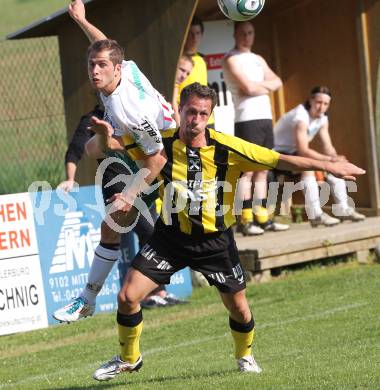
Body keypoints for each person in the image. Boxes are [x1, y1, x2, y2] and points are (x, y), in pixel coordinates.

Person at [89, 83, 365, 381]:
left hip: (215, 243)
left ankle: (245, 355)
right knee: (127, 296)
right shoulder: (159, 144)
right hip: (170, 239)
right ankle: (130, 359)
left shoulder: (228, 148)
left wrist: (329, 165)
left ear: (210, 115)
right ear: (179, 110)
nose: (195, 118)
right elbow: (113, 145)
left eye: (202, 113)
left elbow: (280, 159)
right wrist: (105, 137)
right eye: (191, 111)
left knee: (240, 311)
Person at [53, 0, 177, 322]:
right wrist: (81, 19)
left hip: (166, 155)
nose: (95, 70)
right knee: (110, 213)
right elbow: (105, 45)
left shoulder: (130, 109)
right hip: (137, 146)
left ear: (116, 69)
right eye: (92, 65)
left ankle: (94, 297)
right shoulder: (126, 68)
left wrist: (130, 194)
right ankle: (87, 299)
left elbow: (158, 160)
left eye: (101, 66)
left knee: (124, 217)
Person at [56, 105, 182, 311]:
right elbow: (80, 149)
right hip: (116, 184)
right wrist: (70, 178)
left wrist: (171, 107)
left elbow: (163, 139)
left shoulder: (134, 112)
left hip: (141, 182)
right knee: (135, 231)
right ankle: (102, 296)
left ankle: (155, 292)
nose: (96, 72)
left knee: (150, 233)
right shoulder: (93, 118)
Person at [223, 21, 288, 236]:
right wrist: (262, 87)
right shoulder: (231, 59)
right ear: (235, 34)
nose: (247, 36)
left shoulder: (258, 58)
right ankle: (246, 219)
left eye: (250, 32)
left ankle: (263, 217)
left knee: (263, 170)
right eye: (242, 33)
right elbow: (248, 87)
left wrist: (260, 88)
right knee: (248, 172)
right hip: (247, 120)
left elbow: (277, 81)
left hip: (265, 118)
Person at [273, 86, 366, 226]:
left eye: (325, 104)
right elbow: (303, 150)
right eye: (318, 102)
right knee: (309, 167)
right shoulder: (301, 116)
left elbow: (327, 146)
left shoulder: (322, 118)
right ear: (310, 100)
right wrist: (330, 160)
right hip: (277, 155)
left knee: (336, 167)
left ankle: (343, 209)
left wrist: (335, 159)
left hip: (295, 154)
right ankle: (315, 214)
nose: (321, 107)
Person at [178, 16, 215, 128]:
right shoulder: (177, 61)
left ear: (201, 35)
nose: (194, 37)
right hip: (187, 118)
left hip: (207, 119)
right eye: (190, 33)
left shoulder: (202, 60)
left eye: (197, 33)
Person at [172, 54, 194, 126]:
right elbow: (174, 108)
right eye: (182, 70)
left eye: (187, 73)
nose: (184, 76)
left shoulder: (175, 85)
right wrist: (180, 130)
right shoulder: (169, 85)